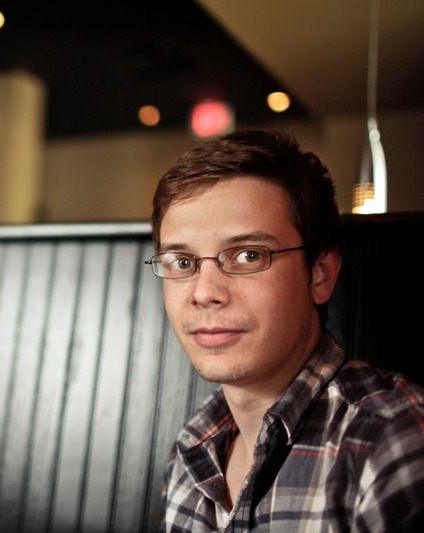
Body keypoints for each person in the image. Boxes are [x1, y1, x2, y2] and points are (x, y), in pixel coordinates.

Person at [148, 129, 424, 531]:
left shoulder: (390, 441)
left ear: (321, 273)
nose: (204, 293)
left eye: (247, 255)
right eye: (182, 262)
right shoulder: (194, 444)